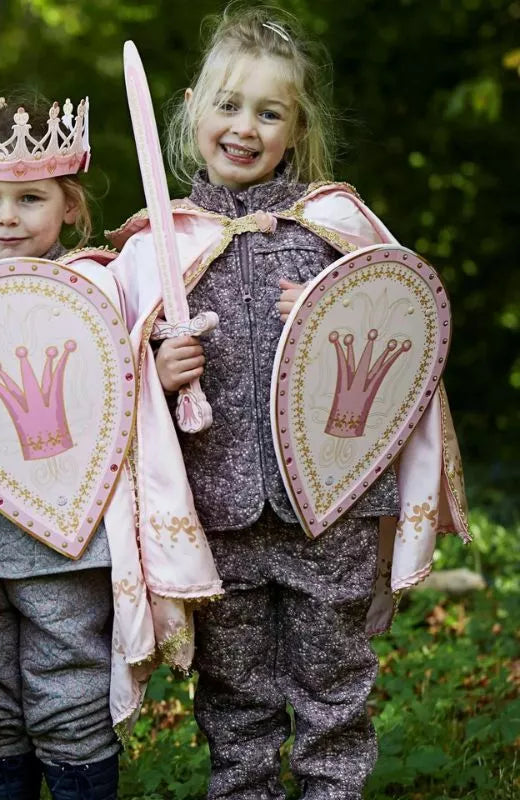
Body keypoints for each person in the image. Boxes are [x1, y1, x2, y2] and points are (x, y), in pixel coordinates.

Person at [106, 6, 469, 800]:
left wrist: (338, 307)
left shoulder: (337, 229)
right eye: (228, 106)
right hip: (218, 509)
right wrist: (157, 371)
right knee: (233, 691)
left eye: (269, 112)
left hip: (326, 508)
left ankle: (332, 789)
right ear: (193, 111)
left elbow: (401, 328)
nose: (244, 127)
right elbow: (114, 384)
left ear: (296, 127)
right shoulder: (154, 246)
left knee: (334, 679)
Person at [0, 87, 221, 800]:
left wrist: (154, 376)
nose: (6, 217)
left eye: (30, 200)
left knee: (66, 695)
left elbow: (111, 383)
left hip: (69, 539)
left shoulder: (97, 285)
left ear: (70, 205)